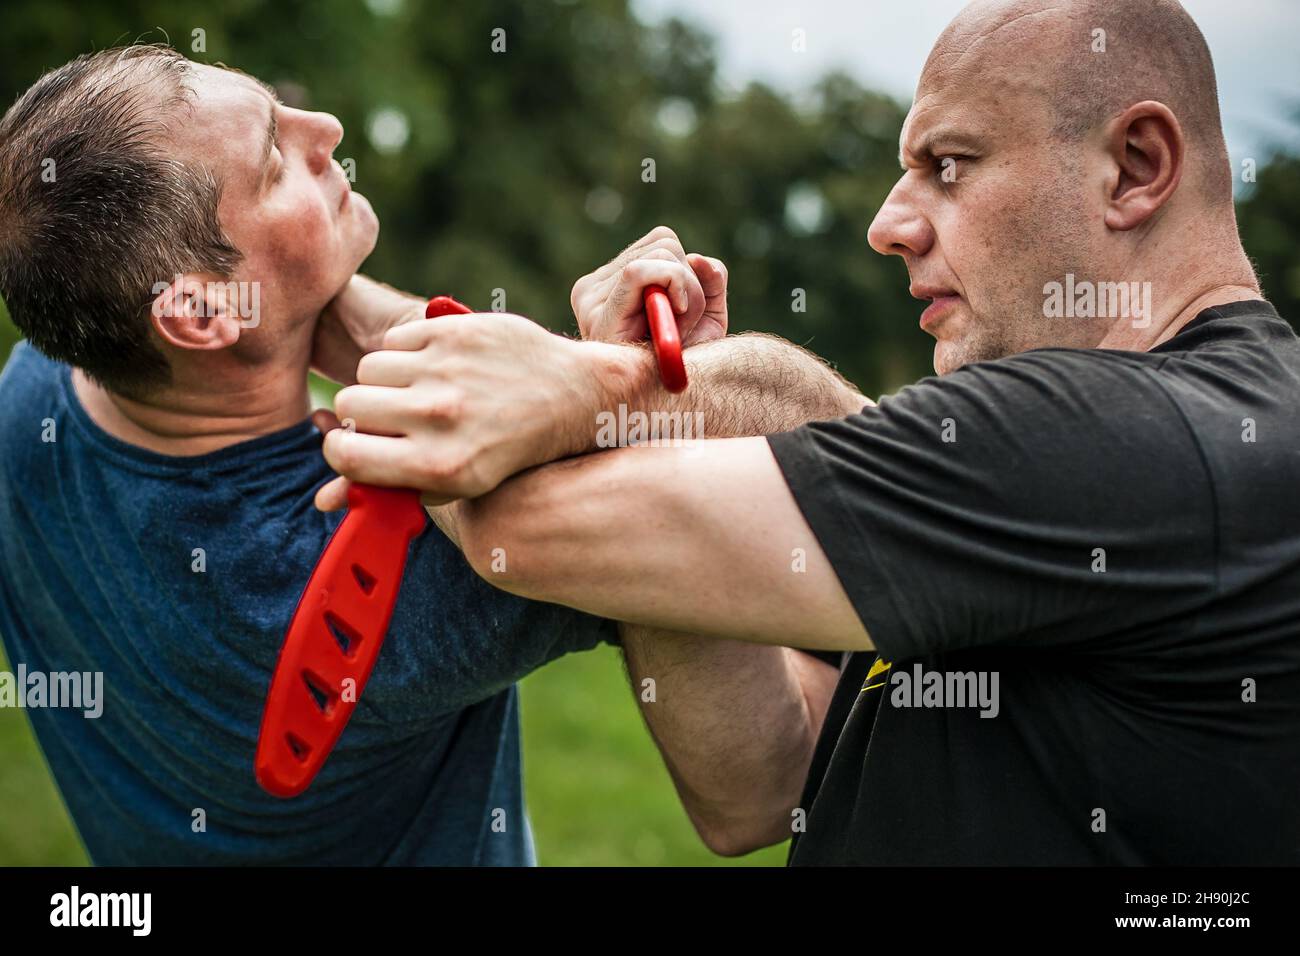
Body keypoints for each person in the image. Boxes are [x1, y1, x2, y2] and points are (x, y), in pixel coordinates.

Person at [316, 0, 1300, 864]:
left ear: (1134, 167)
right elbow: (762, 786)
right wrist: (657, 413)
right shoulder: (1174, 441)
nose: (887, 223)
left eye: (947, 164)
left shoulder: (1134, 441)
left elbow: (519, 533)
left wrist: (353, 315)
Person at [0, 45, 852, 864]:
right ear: (198, 314)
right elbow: (766, 793)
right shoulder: (387, 590)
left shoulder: (38, 385)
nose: (323, 127)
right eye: (273, 162)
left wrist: (354, 324)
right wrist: (612, 374)